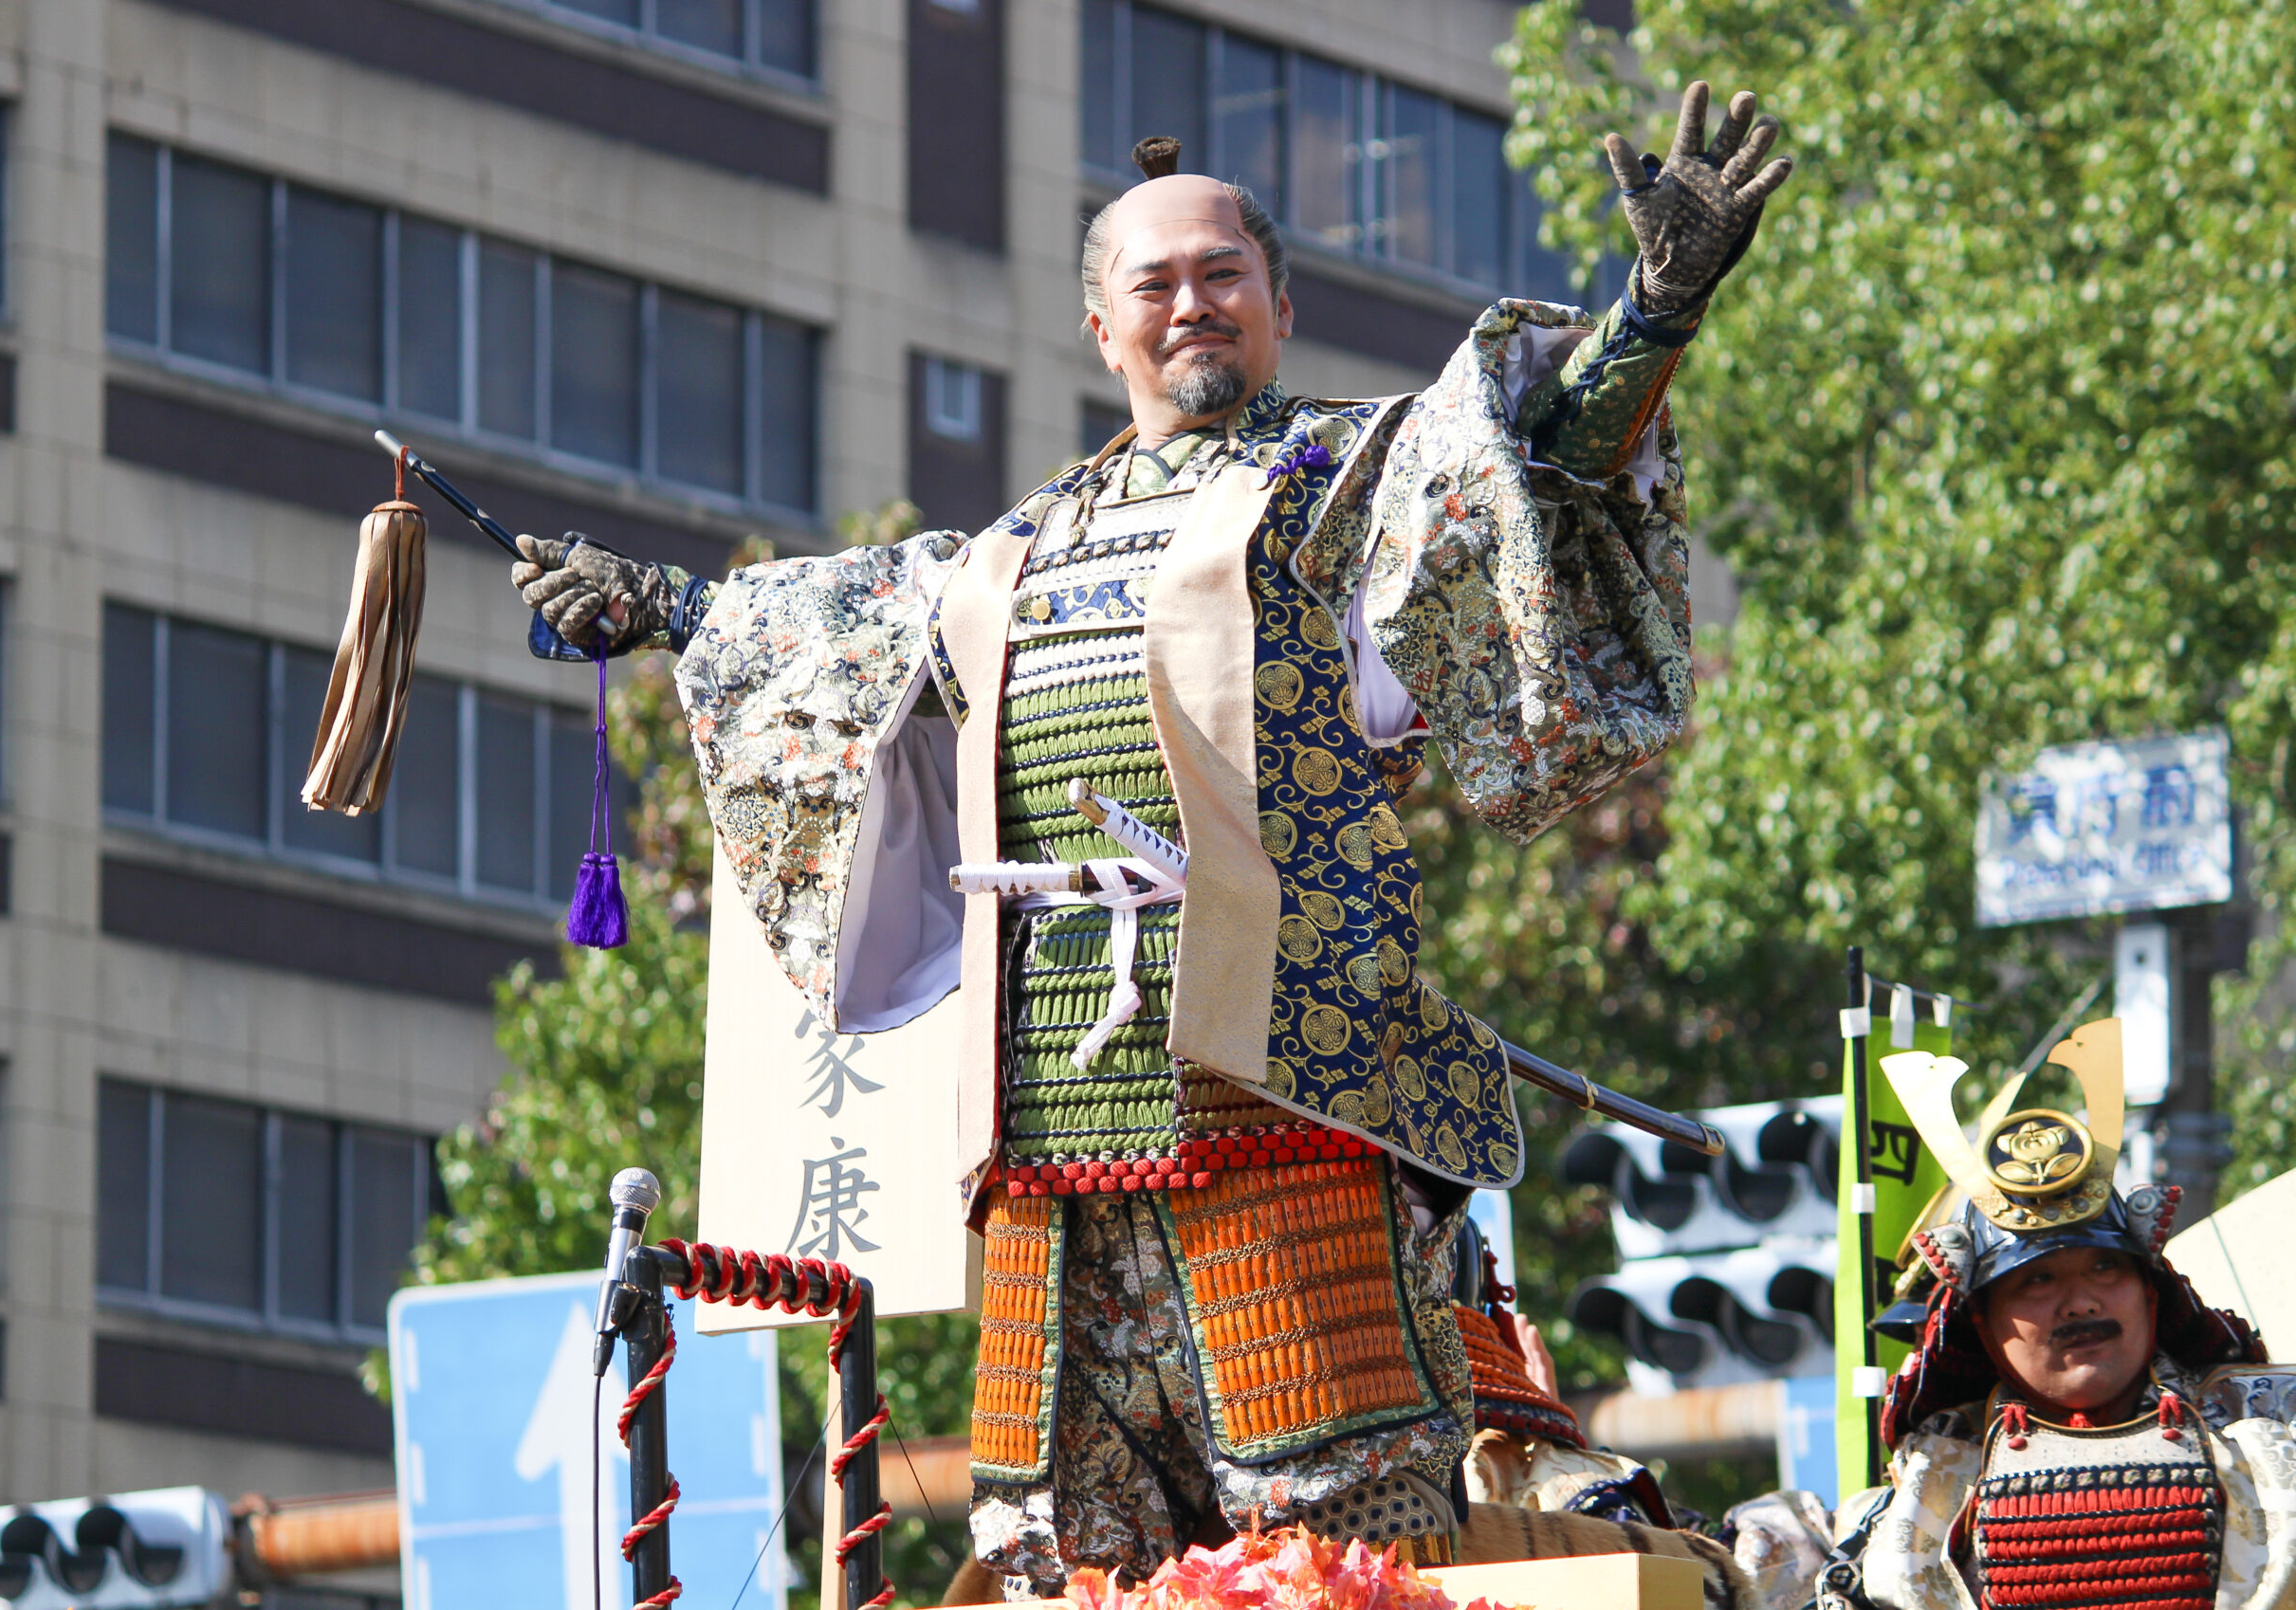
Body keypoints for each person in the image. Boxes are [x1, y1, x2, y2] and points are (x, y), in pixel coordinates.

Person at [511, 83, 1792, 1593]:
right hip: (1051, 1143)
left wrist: (1653, 312)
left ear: (1280, 306)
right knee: (1057, 1563)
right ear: (1101, 327)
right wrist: (662, 607)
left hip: (1283, 1106)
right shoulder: (1014, 551)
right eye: (1156, 282)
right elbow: (834, 631)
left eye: (1222, 274)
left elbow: (1530, 450)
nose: (1192, 303)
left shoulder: (1348, 481)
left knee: (1335, 1549)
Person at [1746, 1022, 2291, 1610]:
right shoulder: (1925, 1490)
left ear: (2151, 1294)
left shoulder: (2268, 1428)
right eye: (2038, 1279)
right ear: (1981, 1322)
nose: (2081, 1302)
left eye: (2105, 1268)